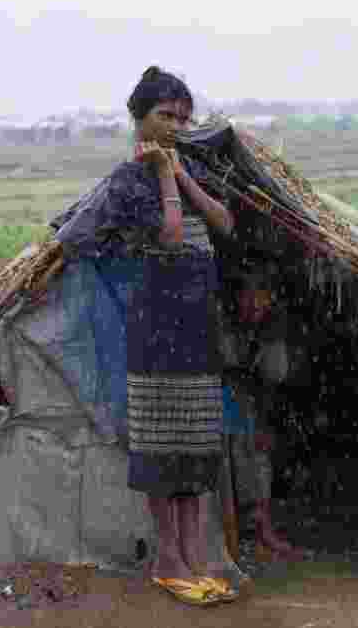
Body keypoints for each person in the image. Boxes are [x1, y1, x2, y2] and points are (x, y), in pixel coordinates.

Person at [52, 66, 237, 605]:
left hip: (196, 324)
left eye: (183, 117)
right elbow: (172, 237)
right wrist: (161, 175)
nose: (176, 125)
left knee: (197, 442)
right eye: (165, 116)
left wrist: (179, 175)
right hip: (157, 326)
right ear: (139, 118)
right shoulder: (127, 182)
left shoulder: (186, 167)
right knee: (164, 445)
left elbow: (223, 223)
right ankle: (168, 560)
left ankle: (197, 557)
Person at [221, 267, 310, 562]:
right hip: (227, 397)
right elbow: (231, 369)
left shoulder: (273, 325)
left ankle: (260, 527)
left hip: (253, 400)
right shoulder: (226, 320)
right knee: (237, 454)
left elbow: (273, 376)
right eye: (250, 297)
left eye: (262, 298)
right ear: (239, 296)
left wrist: (263, 422)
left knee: (258, 453)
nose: (256, 304)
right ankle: (247, 530)